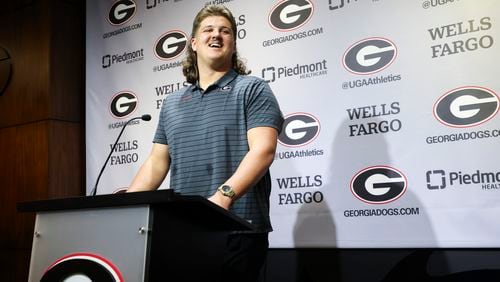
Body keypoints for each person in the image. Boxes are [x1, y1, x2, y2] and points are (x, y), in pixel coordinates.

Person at [127, 4, 283, 281]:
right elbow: (156, 162)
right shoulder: (173, 103)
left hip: (239, 230)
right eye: (208, 30)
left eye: (225, 31)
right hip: (185, 230)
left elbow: (263, 150)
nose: (217, 35)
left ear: (233, 44)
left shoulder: (253, 89)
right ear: (194, 43)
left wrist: (222, 199)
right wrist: (126, 207)